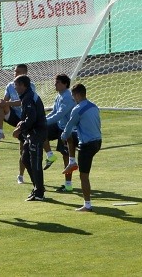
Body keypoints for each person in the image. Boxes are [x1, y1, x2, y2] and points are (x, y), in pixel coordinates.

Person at [61, 83, 102, 212]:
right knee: (72, 135)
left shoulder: (77, 109)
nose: (73, 99)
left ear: (78, 95)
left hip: (87, 145)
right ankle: (72, 161)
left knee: (84, 176)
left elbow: (67, 129)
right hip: (98, 142)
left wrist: (63, 138)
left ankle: (87, 205)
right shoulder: (94, 106)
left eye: (73, 96)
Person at [0, 64, 36, 184]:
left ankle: (22, 175)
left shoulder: (30, 87)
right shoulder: (10, 85)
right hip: (15, 118)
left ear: (25, 74)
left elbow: (22, 102)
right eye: (15, 71)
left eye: (18, 72)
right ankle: (0, 132)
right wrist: (2, 102)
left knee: (24, 149)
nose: (15, 74)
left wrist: (8, 103)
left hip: (27, 120)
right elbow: (6, 101)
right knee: (0, 105)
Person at [12, 75, 48, 201]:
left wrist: (20, 128)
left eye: (16, 85)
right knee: (25, 159)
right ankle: (38, 188)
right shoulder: (28, 96)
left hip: (36, 133)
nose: (15, 88)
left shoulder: (28, 98)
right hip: (31, 134)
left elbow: (31, 118)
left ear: (23, 85)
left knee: (35, 163)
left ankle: (39, 193)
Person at [45, 74, 76, 192]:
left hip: (67, 129)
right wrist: (43, 121)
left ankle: (68, 185)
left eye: (57, 82)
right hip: (59, 126)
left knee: (66, 157)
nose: (55, 84)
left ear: (64, 84)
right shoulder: (59, 95)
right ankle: (50, 155)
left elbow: (60, 114)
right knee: (41, 132)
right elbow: (54, 111)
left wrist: (43, 122)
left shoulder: (67, 97)